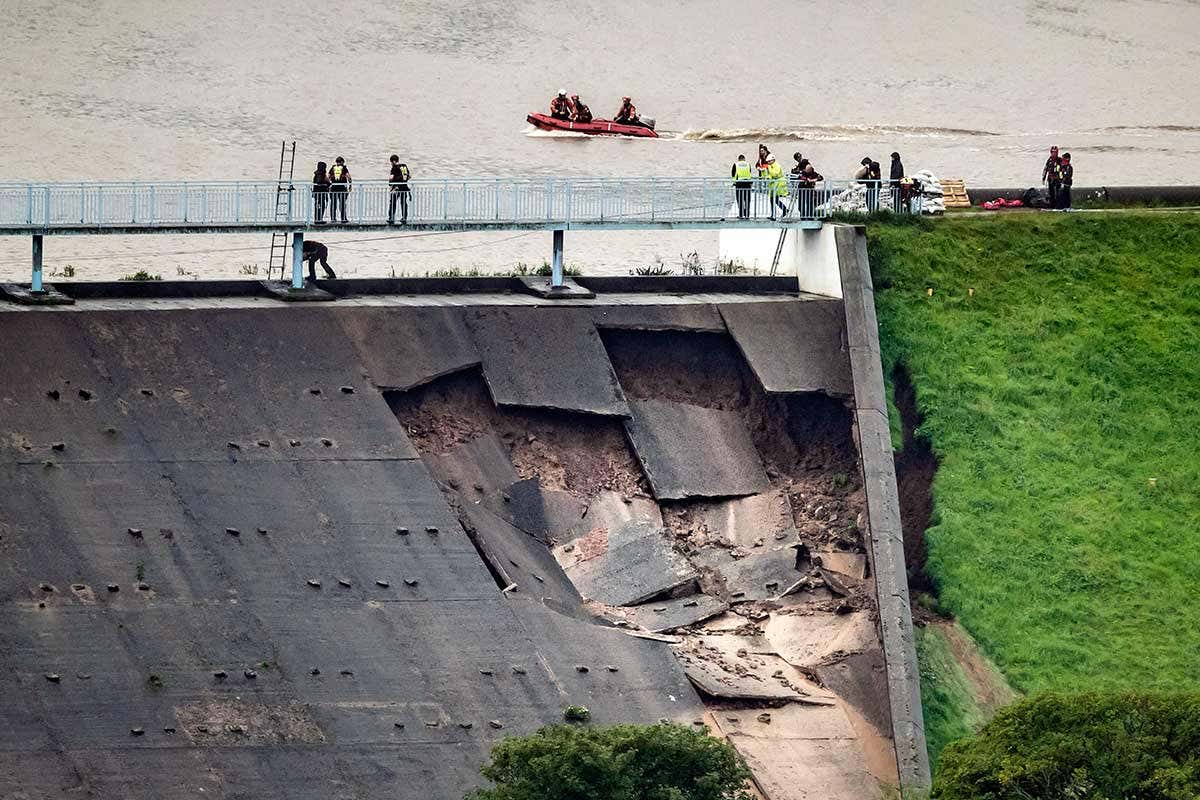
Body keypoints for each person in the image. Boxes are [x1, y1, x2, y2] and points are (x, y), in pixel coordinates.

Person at [764, 154, 789, 220]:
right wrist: (767, 177)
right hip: (774, 185)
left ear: (773, 160)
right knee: (773, 200)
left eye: (769, 161)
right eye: (768, 161)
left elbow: (775, 174)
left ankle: (782, 210)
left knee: (774, 200)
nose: (768, 163)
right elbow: (771, 175)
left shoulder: (776, 166)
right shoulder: (771, 166)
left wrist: (769, 169)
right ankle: (773, 214)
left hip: (778, 185)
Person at [388, 155, 411, 224]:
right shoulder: (404, 166)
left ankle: (391, 218)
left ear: (393, 161)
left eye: (391, 162)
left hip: (396, 188)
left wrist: (390, 184)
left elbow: (391, 178)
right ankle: (404, 217)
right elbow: (409, 176)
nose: (391, 164)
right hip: (404, 187)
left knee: (393, 203)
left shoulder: (394, 167)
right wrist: (404, 181)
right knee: (403, 203)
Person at [731, 154, 753, 219]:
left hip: (739, 184)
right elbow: (750, 172)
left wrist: (734, 182)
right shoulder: (748, 164)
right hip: (747, 184)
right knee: (747, 200)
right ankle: (747, 215)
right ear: (744, 159)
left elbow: (733, 174)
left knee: (740, 199)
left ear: (739, 159)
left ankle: (741, 214)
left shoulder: (736, 164)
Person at [329, 156, 351, 223]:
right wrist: (350, 186)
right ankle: (343, 218)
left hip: (333, 189)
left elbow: (328, 177)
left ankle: (333, 218)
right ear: (342, 162)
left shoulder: (333, 168)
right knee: (342, 204)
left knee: (333, 204)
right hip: (342, 189)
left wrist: (329, 186)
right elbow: (349, 177)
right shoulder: (344, 168)